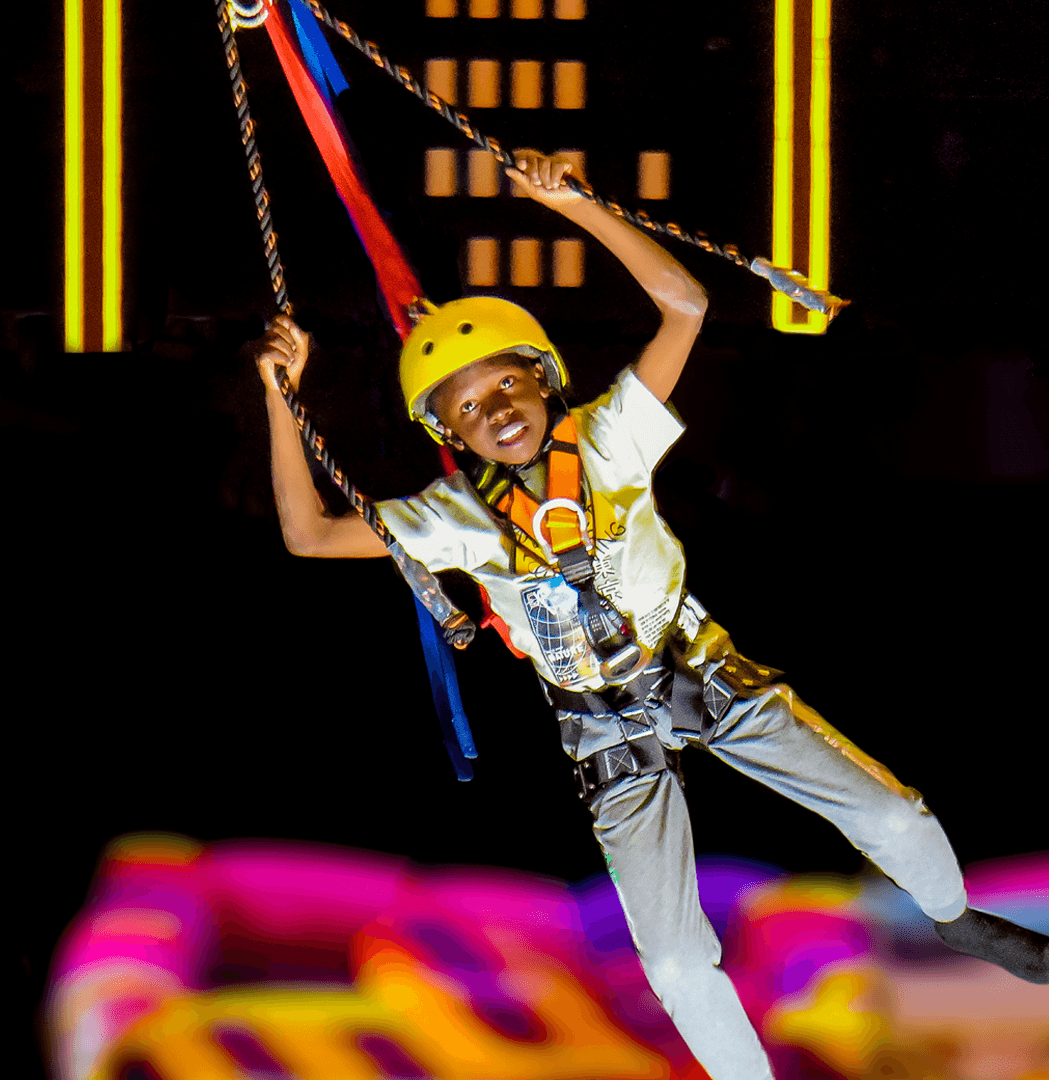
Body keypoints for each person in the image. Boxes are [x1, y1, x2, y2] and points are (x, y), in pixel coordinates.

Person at [255, 150, 1049, 1080]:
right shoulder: (451, 522)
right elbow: (308, 537)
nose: (494, 409)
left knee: (899, 818)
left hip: (703, 670)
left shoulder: (608, 432)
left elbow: (685, 308)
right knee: (673, 960)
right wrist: (279, 396)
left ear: (545, 380)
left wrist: (578, 207)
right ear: (449, 436)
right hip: (605, 733)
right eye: (467, 408)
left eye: (506, 384)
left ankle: (958, 923)